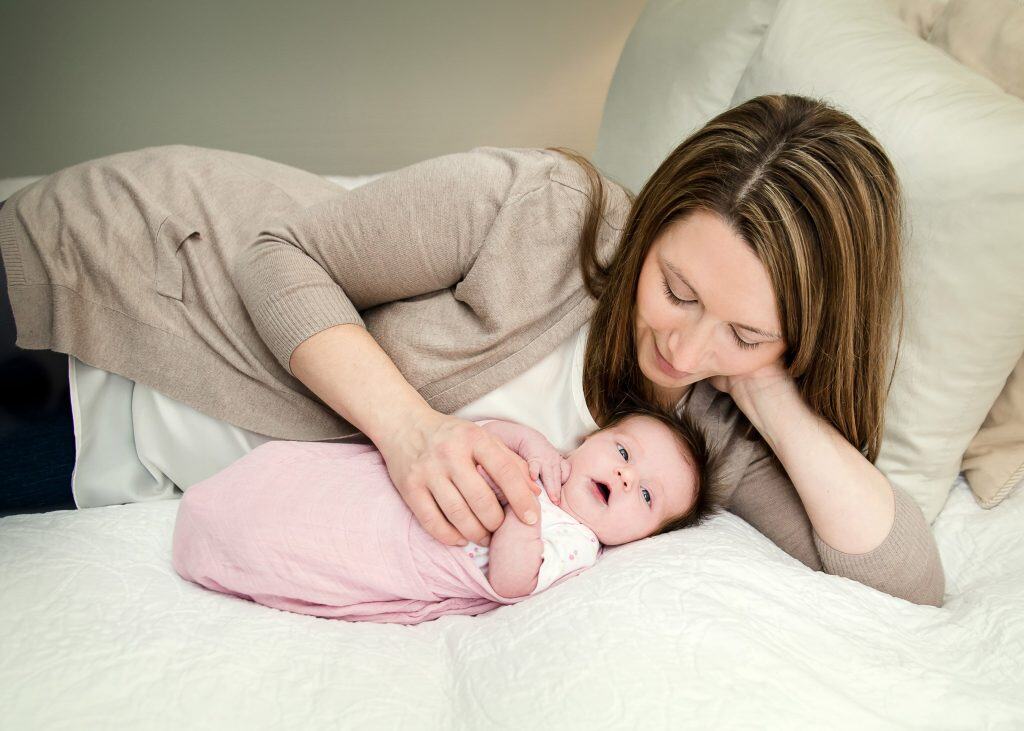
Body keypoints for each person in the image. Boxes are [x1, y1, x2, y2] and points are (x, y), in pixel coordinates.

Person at [0, 93, 945, 606]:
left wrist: (769, 386)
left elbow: (903, 575)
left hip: (111, 457)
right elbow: (276, 257)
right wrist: (412, 432)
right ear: (652, 225)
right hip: (111, 295)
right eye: (678, 289)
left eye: (742, 330)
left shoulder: (711, 420)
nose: (683, 345)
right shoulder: (542, 210)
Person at [172, 401, 726, 623]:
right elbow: (478, 434)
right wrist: (527, 445)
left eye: (647, 497)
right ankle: (237, 502)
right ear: (590, 439)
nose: (627, 477)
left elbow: (511, 580)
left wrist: (522, 509)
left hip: (409, 544)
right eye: (624, 452)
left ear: (643, 537)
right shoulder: (544, 456)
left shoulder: (576, 543)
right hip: (393, 489)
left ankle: (238, 541)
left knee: (307, 545)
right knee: (306, 486)